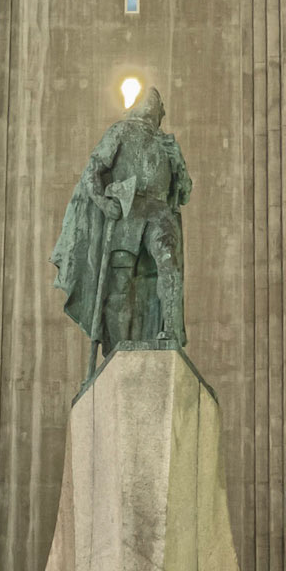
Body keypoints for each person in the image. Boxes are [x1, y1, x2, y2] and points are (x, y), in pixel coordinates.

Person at [50, 86, 192, 370]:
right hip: (129, 211)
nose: (153, 103)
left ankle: (171, 332)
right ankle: (118, 348)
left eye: (157, 100)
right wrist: (103, 203)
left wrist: (177, 161)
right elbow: (93, 170)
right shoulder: (121, 130)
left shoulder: (167, 143)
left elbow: (185, 193)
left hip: (159, 211)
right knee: (121, 281)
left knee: (169, 265)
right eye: (149, 98)